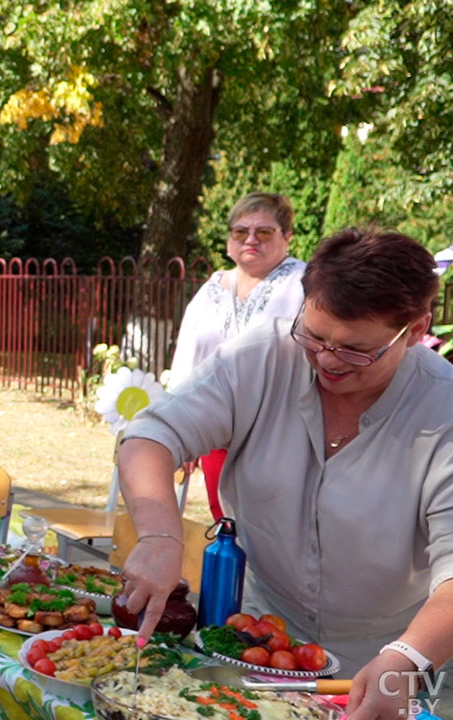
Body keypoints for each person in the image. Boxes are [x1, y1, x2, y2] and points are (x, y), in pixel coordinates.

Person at [116, 228, 453, 720]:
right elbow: (150, 437)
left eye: (357, 350)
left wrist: (406, 660)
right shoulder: (264, 356)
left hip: (387, 667)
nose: (328, 359)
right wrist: (160, 537)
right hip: (252, 651)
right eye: (314, 336)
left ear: (416, 328)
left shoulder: (444, 409)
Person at [167, 192, 306, 519]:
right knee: (225, 524)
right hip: (216, 432)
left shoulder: (305, 285)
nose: (251, 240)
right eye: (240, 232)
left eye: (265, 232)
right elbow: (186, 359)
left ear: (286, 236)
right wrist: (178, 429)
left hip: (277, 435)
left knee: (268, 530)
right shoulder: (211, 289)